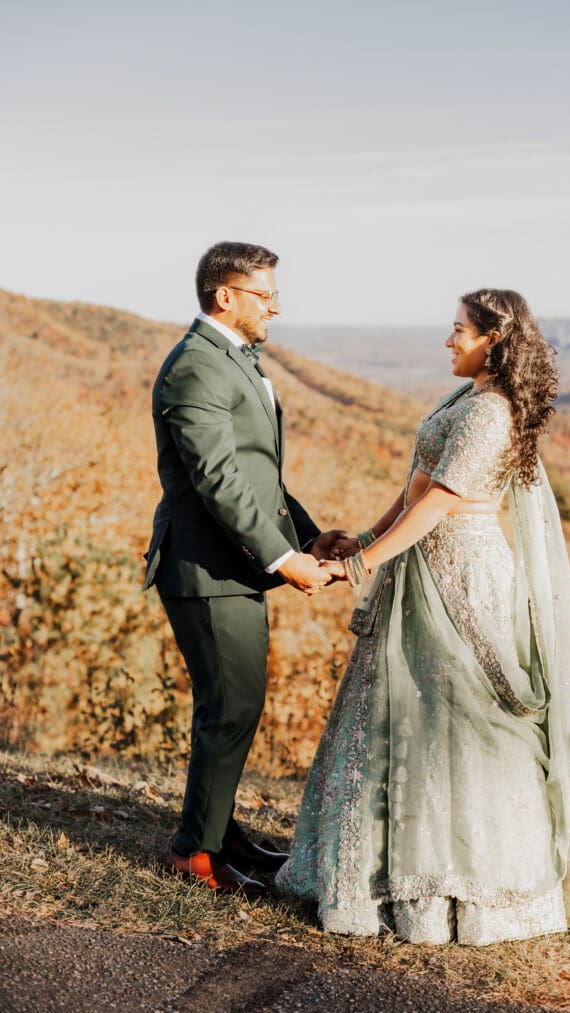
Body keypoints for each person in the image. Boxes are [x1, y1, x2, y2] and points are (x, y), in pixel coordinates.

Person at [276, 289, 570, 944]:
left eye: (459, 332)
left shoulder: (490, 414)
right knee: (397, 713)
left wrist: (356, 569)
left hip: (463, 577)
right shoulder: (460, 401)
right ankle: (377, 876)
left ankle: (459, 891)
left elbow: (439, 503)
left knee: (458, 720)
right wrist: (362, 540)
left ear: (492, 342)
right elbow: (412, 486)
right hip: (420, 567)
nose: (448, 342)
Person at [143, 241, 344, 897]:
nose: (275, 308)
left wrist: (312, 540)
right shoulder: (196, 368)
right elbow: (220, 482)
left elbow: (263, 477)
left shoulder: (234, 361)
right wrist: (284, 560)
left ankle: (220, 832)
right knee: (229, 707)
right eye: (265, 294)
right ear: (224, 295)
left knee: (236, 704)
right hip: (204, 568)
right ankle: (193, 856)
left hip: (233, 563)